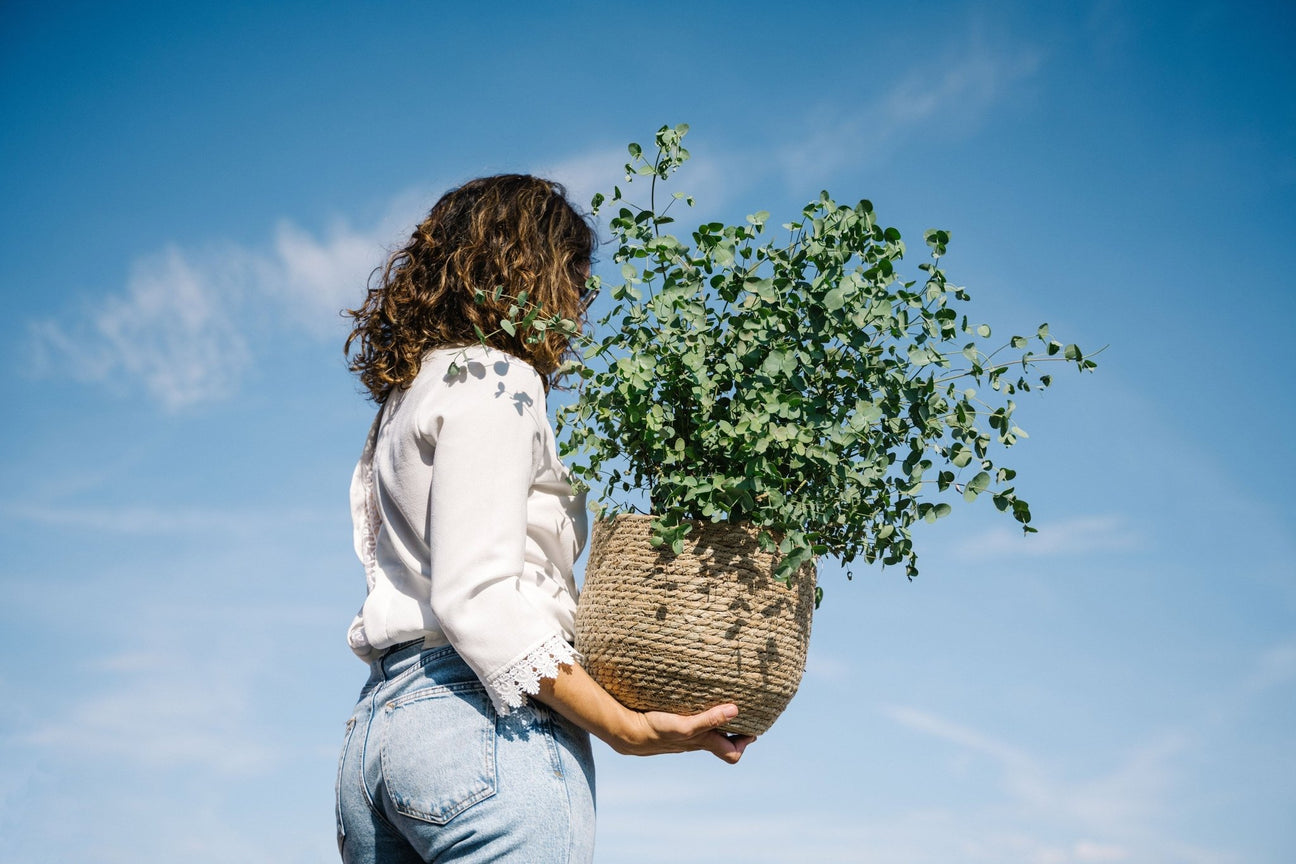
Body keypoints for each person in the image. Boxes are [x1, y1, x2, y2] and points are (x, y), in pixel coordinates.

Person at [334, 174, 754, 864]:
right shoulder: (500, 380)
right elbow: (479, 598)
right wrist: (626, 726)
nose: (582, 313)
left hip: (379, 732)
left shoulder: (405, 401)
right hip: (484, 726)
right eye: (579, 285)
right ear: (533, 273)